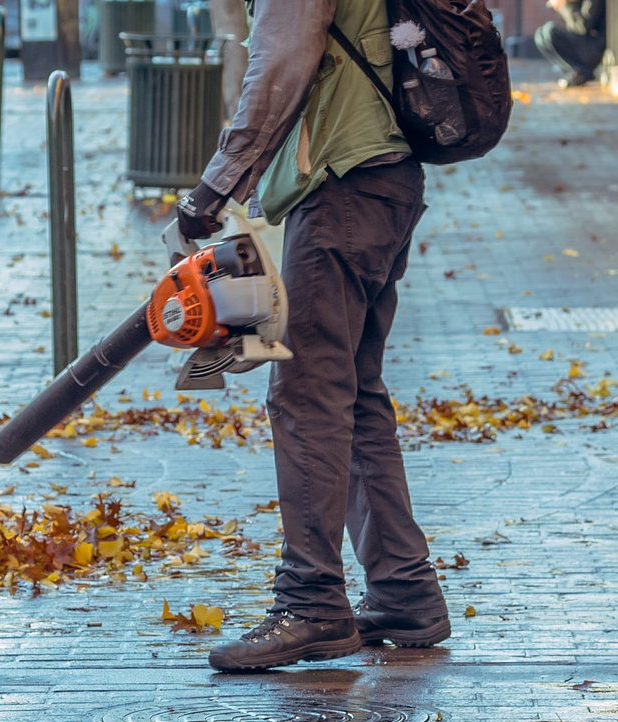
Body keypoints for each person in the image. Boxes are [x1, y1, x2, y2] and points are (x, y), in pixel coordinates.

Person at [176, 0, 449, 672]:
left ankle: (312, 604)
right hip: (386, 177)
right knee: (352, 394)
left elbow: (281, 63)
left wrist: (212, 191)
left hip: (342, 186)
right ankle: (404, 590)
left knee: (306, 396)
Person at [535, 0, 607, 88]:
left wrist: (563, 5)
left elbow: (582, 26)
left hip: (596, 47)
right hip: (587, 41)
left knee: (550, 31)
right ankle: (577, 72)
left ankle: (582, 72)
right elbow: (573, 26)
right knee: (540, 34)